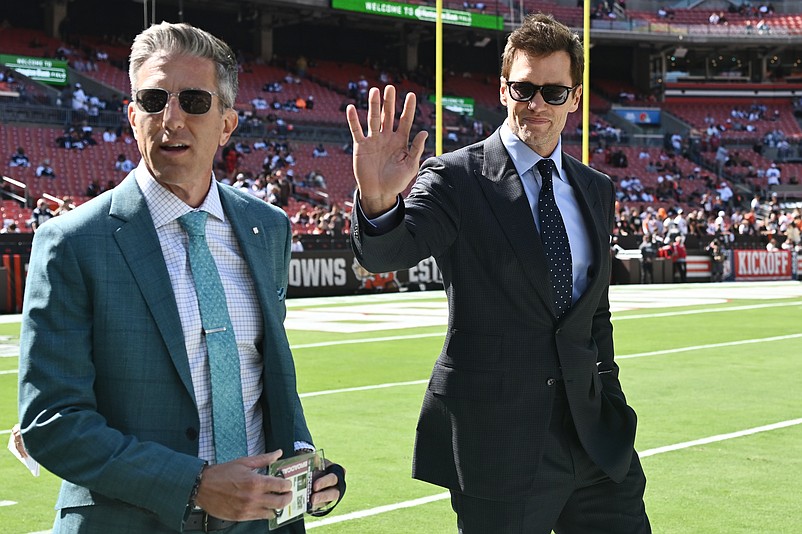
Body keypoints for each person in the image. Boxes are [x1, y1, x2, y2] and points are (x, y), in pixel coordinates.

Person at [18, 22, 343, 534]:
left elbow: (266, 374)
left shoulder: (268, 227)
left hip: (260, 522)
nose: (171, 119)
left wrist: (304, 460)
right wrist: (194, 483)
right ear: (132, 116)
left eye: (194, 100)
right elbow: (53, 423)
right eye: (152, 99)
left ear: (228, 122)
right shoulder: (72, 242)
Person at [346, 13, 649, 534]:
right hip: (499, 446)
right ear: (503, 89)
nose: (536, 103)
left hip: (596, 441)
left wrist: (611, 401)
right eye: (524, 88)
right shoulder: (456, 177)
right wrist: (377, 200)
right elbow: (388, 252)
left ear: (574, 98)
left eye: (553, 92)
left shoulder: (595, 188)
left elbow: (594, 316)